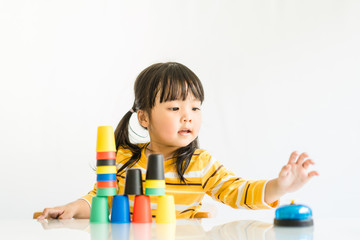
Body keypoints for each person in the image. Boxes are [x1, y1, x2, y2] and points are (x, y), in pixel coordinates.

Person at [38, 62, 319, 220]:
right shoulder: (125, 159)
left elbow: (239, 192)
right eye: (175, 108)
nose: (188, 117)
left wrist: (279, 186)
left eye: (195, 108)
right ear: (144, 117)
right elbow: (102, 200)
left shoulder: (201, 164)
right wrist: (73, 207)